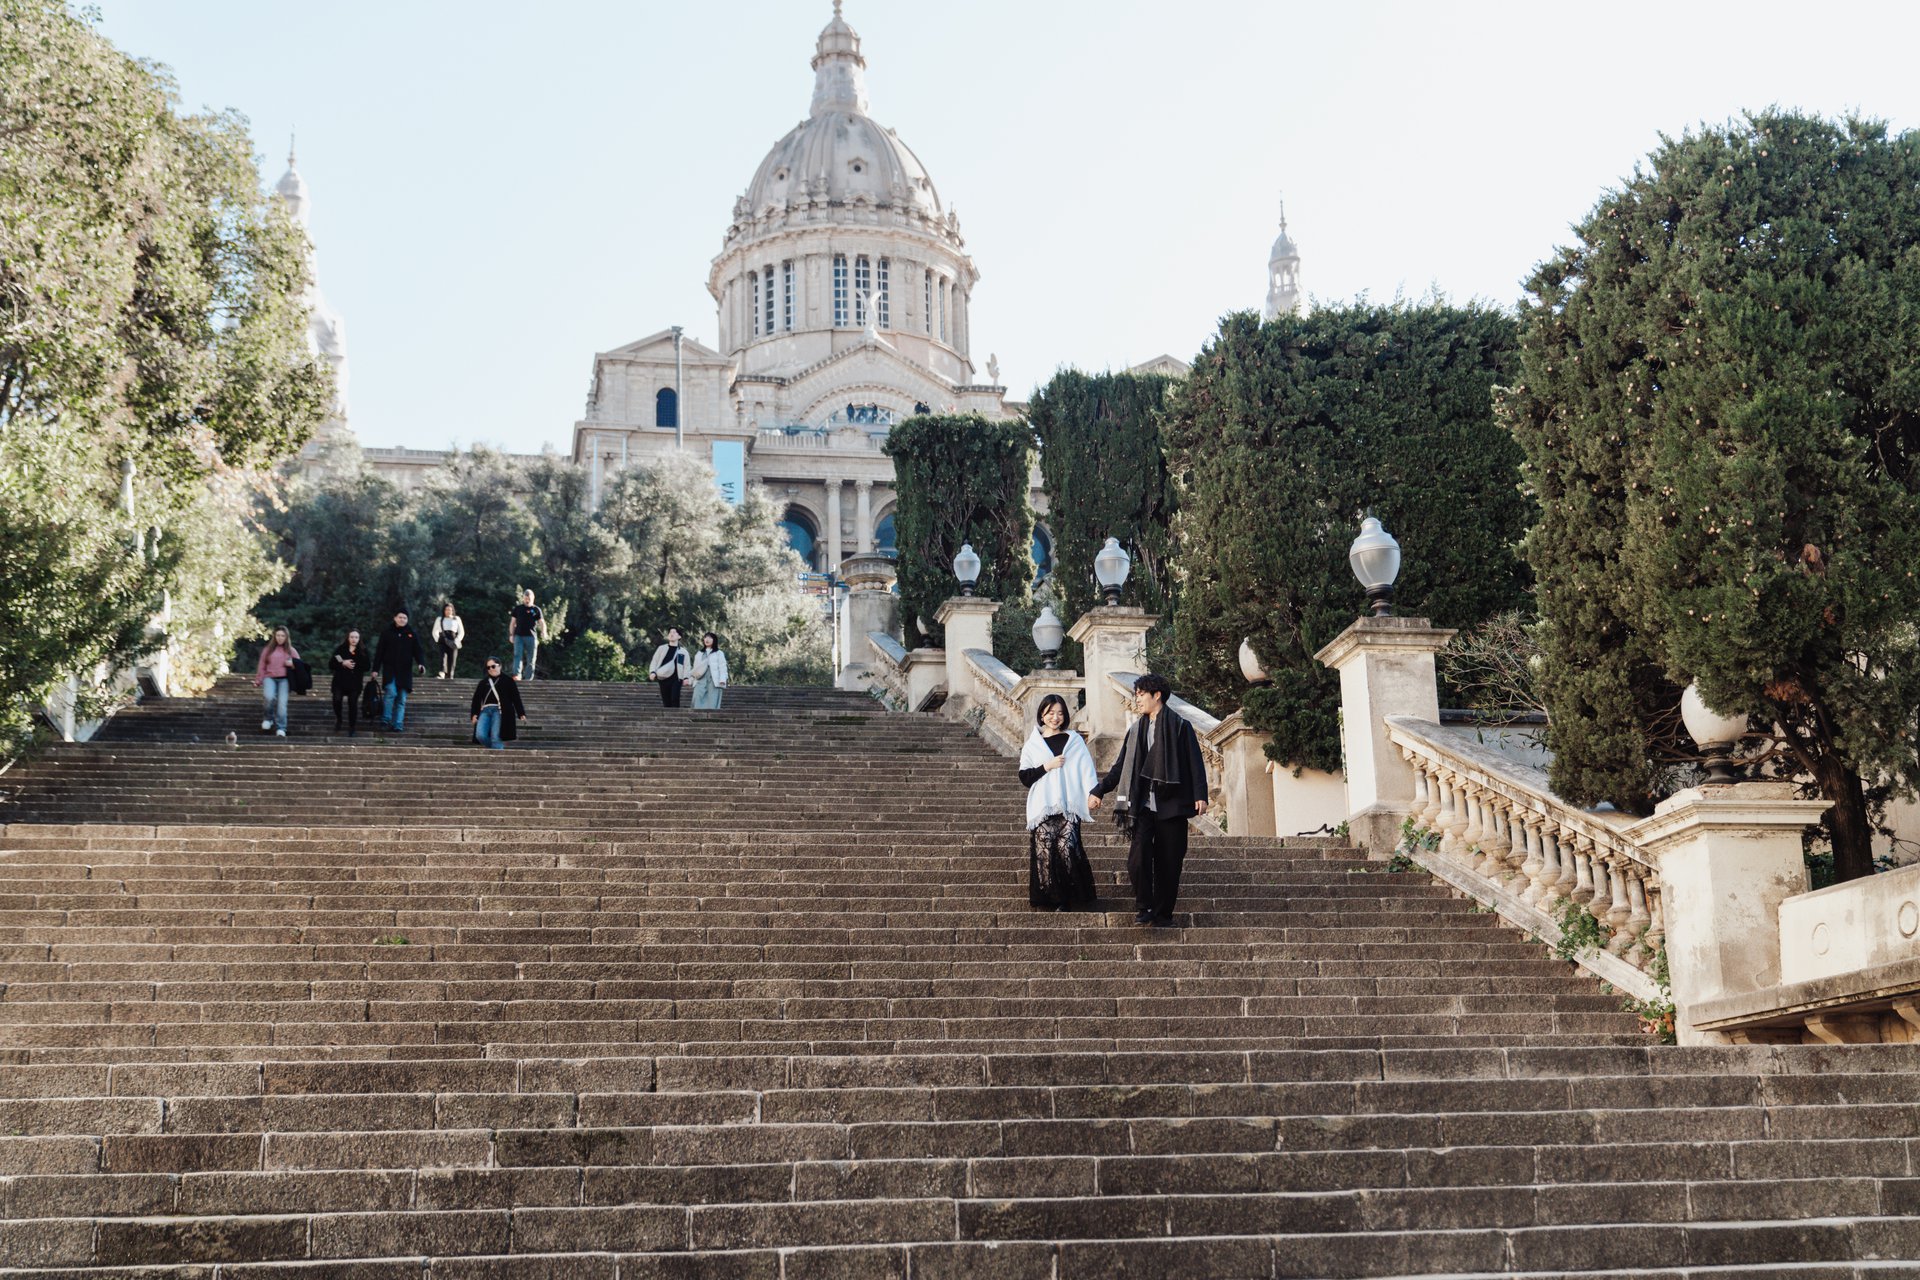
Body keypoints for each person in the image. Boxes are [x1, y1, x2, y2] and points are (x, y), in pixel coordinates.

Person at [1089, 672, 1210, 928]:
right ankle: (1144, 907)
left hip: (1172, 805)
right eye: (1136, 694)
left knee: (1170, 862)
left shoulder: (1180, 726)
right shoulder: (1136, 730)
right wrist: (1100, 789)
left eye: (1141, 694)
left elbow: (1194, 763)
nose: (1138, 699)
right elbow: (1121, 766)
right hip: (1142, 804)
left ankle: (1163, 914)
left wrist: (1200, 795)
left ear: (1157, 695)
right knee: (1138, 858)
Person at [1018, 694, 1099, 911]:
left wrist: (1093, 794)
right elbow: (1025, 777)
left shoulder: (1073, 741)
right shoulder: (1033, 744)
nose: (1056, 717)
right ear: (1042, 715)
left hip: (1068, 805)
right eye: (1051, 713)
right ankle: (1052, 899)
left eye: (1060, 713)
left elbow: (1087, 770)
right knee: (1044, 852)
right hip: (1042, 806)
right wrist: (1047, 766)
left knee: (1067, 849)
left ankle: (1074, 896)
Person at [374, 608, 427, 732]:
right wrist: (375, 669)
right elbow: (379, 652)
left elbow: (418, 651)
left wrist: (421, 664)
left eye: (405, 618)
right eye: (400, 617)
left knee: (401, 699)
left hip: (405, 671)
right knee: (391, 693)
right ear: (395, 618)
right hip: (390, 669)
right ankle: (385, 719)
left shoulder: (411, 633)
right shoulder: (387, 632)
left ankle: (398, 723)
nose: (402, 620)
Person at [469, 655, 527, 749]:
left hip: (500, 711)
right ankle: (495, 749)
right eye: (488, 667)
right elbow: (476, 699)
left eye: (493, 666)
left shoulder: (508, 681)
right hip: (485, 710)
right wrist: (474, 714)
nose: (491, 669)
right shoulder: (483, 682)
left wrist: (521, 713)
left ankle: (497, 756)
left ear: (499, 666)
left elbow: (516, 697)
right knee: (480, 735)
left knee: (496, 737)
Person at [252, 626, 300, 738]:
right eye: (278, 635)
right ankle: (268, 719)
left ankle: (281, 727)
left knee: (282, 704)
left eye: (283, 636)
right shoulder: (267, 650)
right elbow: (262, 666)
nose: (280, 638)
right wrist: (258, 680)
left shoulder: (291, 650)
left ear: (286, 637)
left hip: (285, 679)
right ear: (274, 636)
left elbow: (299, 665)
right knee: (268, 697)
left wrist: (292, 664)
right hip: (270, 678)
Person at [330, 629, 368, 736]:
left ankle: (352, 727)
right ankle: (339, 719)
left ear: (359, 639)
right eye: (352, 637)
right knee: (337, 700)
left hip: (354, 683)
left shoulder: (363, 650)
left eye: (356, 637)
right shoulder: (340, 649)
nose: (354, 639)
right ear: (348, 638)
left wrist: (356, 663)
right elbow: (332, 664)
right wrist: (343, 663)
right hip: (339, 681)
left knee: (353, 703)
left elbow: (367, 666)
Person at [647, 627, 692, 708]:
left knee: (675, 698)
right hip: (663, 678)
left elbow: (687, 666)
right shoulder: (662, 648)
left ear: (679, 636)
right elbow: (654, 661)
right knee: (666, 700)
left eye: (674, 632)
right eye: (670, 632)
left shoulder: (683, 652)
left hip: (677, 678)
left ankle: (676, 717)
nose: (671, 634)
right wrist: (652, 672)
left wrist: (686, 677)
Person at [508, 589, 545, 682]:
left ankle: (528, 678)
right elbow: (512, 623)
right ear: (523, 598)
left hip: (531, 637)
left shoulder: (536, 610)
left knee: (531, 658)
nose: (527, 600)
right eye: (525, 598)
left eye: (529, 598)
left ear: (533, 598)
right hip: (518, 636)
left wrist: (544, 631)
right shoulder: (518, 609)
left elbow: (542, 622)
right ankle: (517, 675)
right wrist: (511, 635)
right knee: (517, 655)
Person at [691, 632, 729, 710]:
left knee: (713, 698)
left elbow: (722, 667)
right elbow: (695, 668)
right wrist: (691, 679)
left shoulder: (719, 653)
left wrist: (722, 679)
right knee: (697, 696)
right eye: (705, 637)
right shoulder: (699, 653)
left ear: (714, 640)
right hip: (701, 678)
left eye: (709, 638)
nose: (707, 639)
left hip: (713, 679)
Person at [432, 603, 465, 680]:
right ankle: (442, 673)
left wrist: (457, 640)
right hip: (443, 638)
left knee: (452, 658)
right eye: (446, 610)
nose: (448, 611)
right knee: (442, 656)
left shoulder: (457, 619)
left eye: (450, 610)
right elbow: (434, 631)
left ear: (452, 610)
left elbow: (461, 632)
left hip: (453, 638)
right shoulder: (439, 619)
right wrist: (437, 640)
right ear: (444, 610)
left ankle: (450, 675)